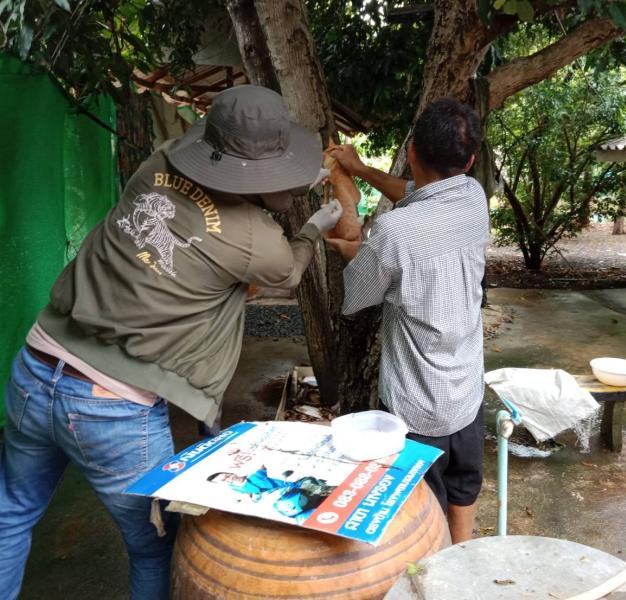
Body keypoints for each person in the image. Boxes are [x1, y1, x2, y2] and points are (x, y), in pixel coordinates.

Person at [0, 85, 342, 600]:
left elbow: (220, 199)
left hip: (36, 365)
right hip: (112, 407)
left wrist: (286, 180)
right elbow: (288, 270)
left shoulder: (156, 164)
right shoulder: (258, 242)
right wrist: (314, 226)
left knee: (10, 515)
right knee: (154, 547)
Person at [326, 97, 489, 544]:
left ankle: (433, 567)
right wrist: (360, 170)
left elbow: (359, 295)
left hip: (416, 404)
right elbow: (421, 196)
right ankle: (462, 560)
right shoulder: (473, 197)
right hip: (465, 392)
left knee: (422, 514)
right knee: (464, 485)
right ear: (469, 161)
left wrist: (353, 251)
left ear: (411, 150)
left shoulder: (393, 232)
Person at [207, 468, 295, 502]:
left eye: (227, 476)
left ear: (231, 472)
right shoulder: (235, 489)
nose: (230, 479)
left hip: (293, 489)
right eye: (224, 480)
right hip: (281, 501)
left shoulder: (255, 474)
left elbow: (266, 467)